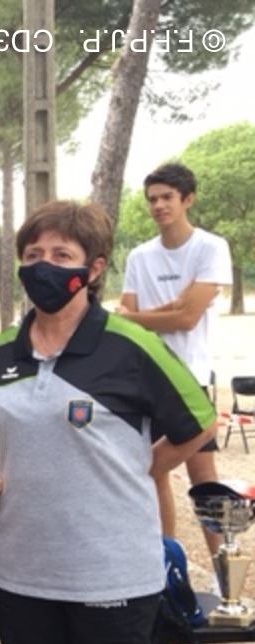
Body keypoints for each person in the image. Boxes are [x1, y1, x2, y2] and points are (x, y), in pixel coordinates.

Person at [0, 200, 216, 644]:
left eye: (61, 256)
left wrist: (144, 467)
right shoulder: (2, 353)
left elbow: (198, 422)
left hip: (112, 568)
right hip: (23, 568)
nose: (44, 267)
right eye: (33, 254)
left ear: (92, 269)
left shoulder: (129, 344)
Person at [119, 163, 233, 559]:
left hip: (190, 380)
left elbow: (186, 319)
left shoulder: (210, 247)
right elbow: (134, 318)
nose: (158, 206)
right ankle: (164, 568)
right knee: (153, 475)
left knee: (204, 480)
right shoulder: (139, 256)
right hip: (146, 379)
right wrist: (173, 305)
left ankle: (223, 576)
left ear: (188, 199)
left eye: (167, 197)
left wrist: (141, 317)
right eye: (152, 199)